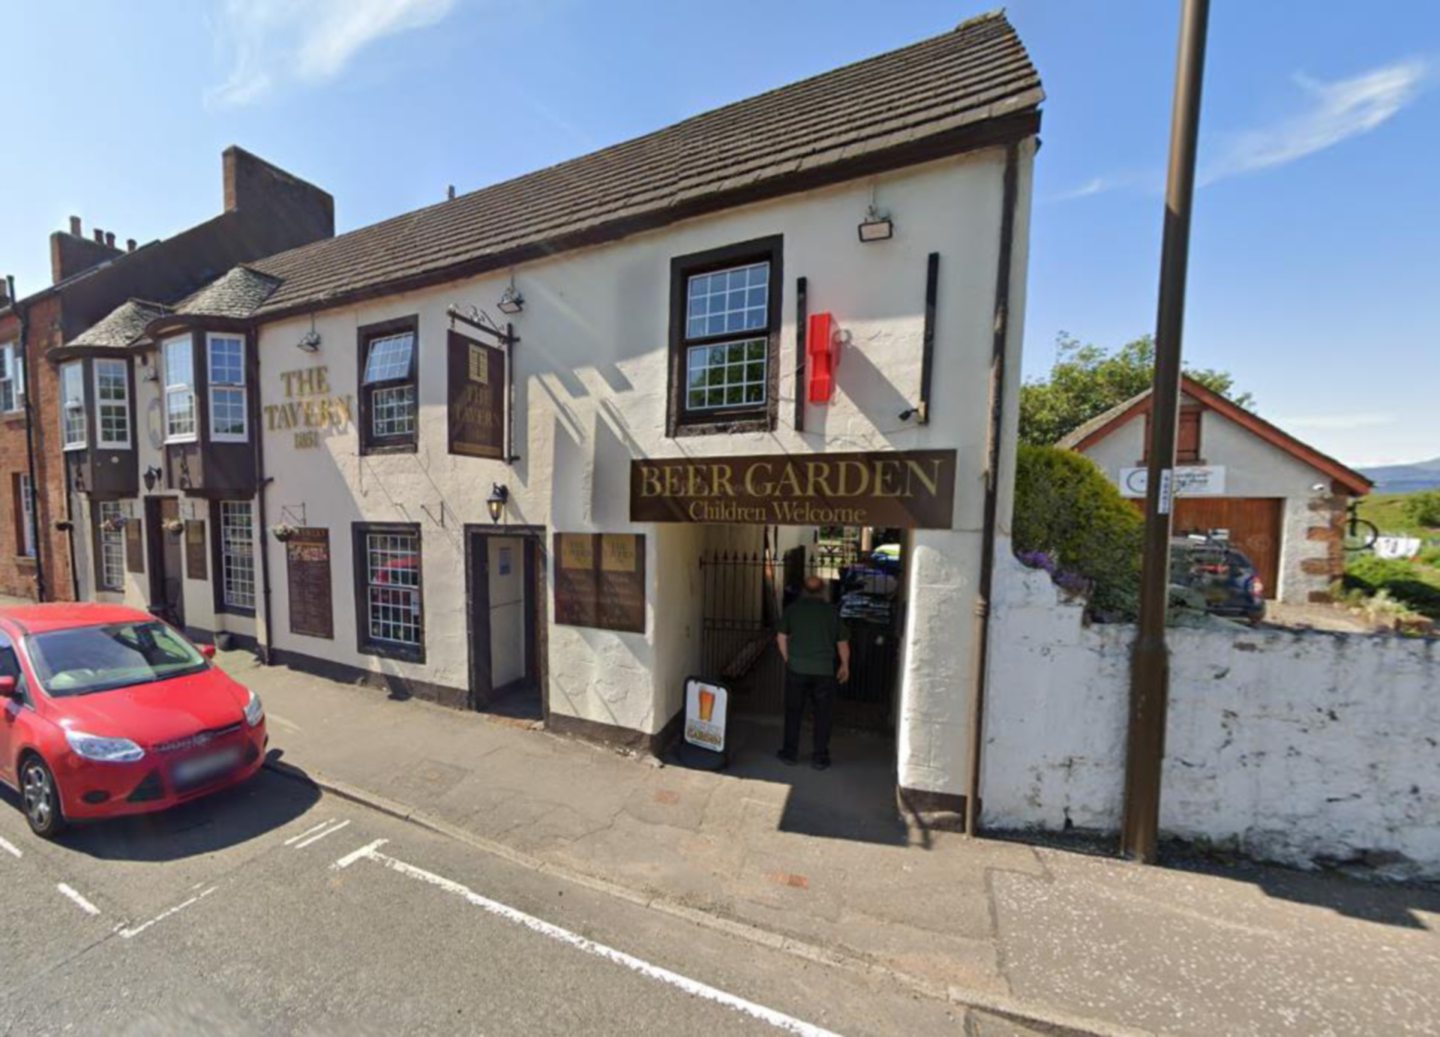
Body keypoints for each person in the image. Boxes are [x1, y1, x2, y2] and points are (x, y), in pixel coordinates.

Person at [775, 575, 850, 770]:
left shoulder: (793, 610)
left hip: (797, 669)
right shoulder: (831, 612)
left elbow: (781, 636)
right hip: (824, 671)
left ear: (803, 591)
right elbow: (842, 643)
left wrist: (787, 659)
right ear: (823, 590)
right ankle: (820, 757)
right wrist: (845, 665)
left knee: (793, 712)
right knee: (823, 714)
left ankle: (790, 753)